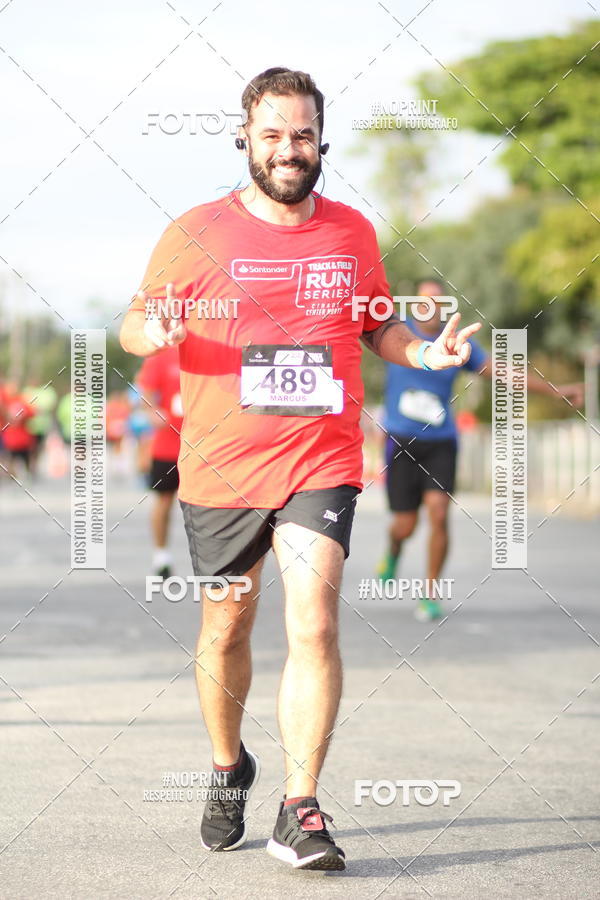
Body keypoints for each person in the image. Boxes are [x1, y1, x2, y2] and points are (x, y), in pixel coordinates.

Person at [120, 67, 481, 871]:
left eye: (305, 135)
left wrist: (427, 351)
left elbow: (377, 327)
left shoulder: (352, 233)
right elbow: (134, 326)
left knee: (314, 619)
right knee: (226, 628)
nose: (290, 149)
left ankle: (300, 806)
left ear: (323, 142)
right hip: (221, 463)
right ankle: (227, 768)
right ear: (244, 138)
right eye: (275, 134)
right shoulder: (195, 229)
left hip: (321, 456)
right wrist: (160, 327)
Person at [378, 279, 585, 621]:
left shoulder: (459, 344)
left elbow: (502, 372)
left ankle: (429, 593)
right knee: (405, 524)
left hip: (441, 440)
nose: (429, 308)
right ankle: (394, 549)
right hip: (401, 440)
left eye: (437, 302)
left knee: (439, 513)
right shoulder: (395, 331)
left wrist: (555, 390)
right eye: (423, 301)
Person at [136, 345, 183, 578]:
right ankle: (161, 555)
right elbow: (145, 391)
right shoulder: (162, 355)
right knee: (164, 500)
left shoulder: (216, 346)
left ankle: (213, 560)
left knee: (209, 505)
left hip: (206, 444)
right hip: (168, 445)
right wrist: (152, 411)